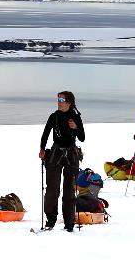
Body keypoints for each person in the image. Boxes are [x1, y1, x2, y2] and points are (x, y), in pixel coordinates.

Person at [38, 91, 86, 232]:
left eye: (62, 99)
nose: (59, 102)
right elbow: (45, 134)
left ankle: (69, 223)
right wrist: (42, 149)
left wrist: (75, 128)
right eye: (58, 99)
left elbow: (82, 137)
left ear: (69, 102)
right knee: (52, 189)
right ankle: (50, 220)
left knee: (69, 190)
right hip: (56, 153)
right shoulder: (54, 116)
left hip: (71, 154)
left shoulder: (75, 117)